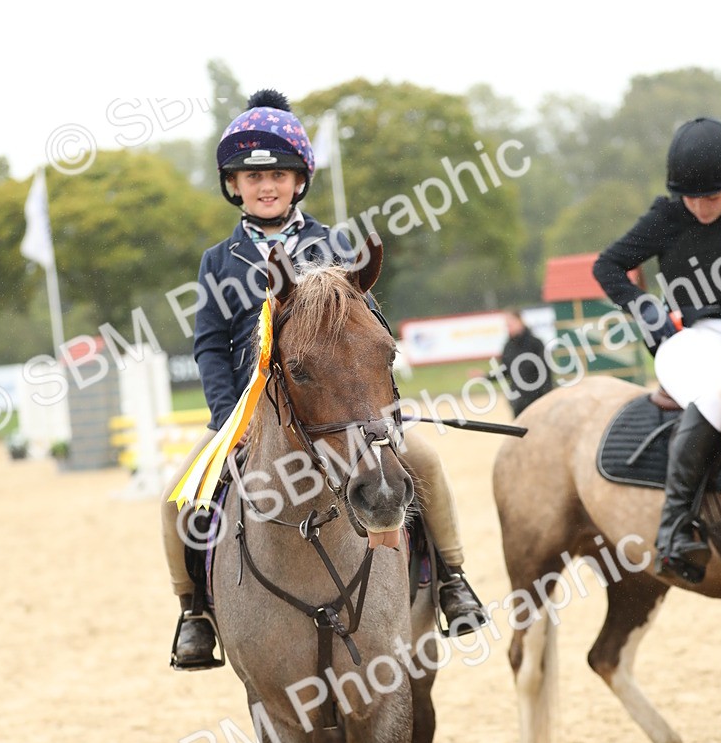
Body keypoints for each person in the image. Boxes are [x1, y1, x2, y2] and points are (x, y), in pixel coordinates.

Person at [161, 88, 485, 669]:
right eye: (250, 177)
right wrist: (222, 418)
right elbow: (210, 344)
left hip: (333, 406)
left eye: (279, 175)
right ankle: (196, 613)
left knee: (425, 461)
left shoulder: (332, 245)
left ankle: (453, 580)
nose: (266, 187)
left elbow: (367, 330)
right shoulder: (218, 261)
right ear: (232, 185)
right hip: (247, 411)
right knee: (178, 497)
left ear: (299, 181)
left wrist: (373, 401)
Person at [593, 115, 721, 584]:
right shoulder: (667, 217)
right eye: (692, 197)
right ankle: (675, 529)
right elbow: (608, 265)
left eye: (712, 197)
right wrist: (644, 308)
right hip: (694, 339)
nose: (701, 207)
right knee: (717, 393)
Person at [497, 309, 553, 417]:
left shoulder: (535, 343)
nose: (508, 327)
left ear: (520, 321)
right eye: (507, 325)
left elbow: (546, 371)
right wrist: (485, 377)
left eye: (510, 324)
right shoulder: (508, 347)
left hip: (537, 400)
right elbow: (504, 371)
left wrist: (547, 396)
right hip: (518, 402)